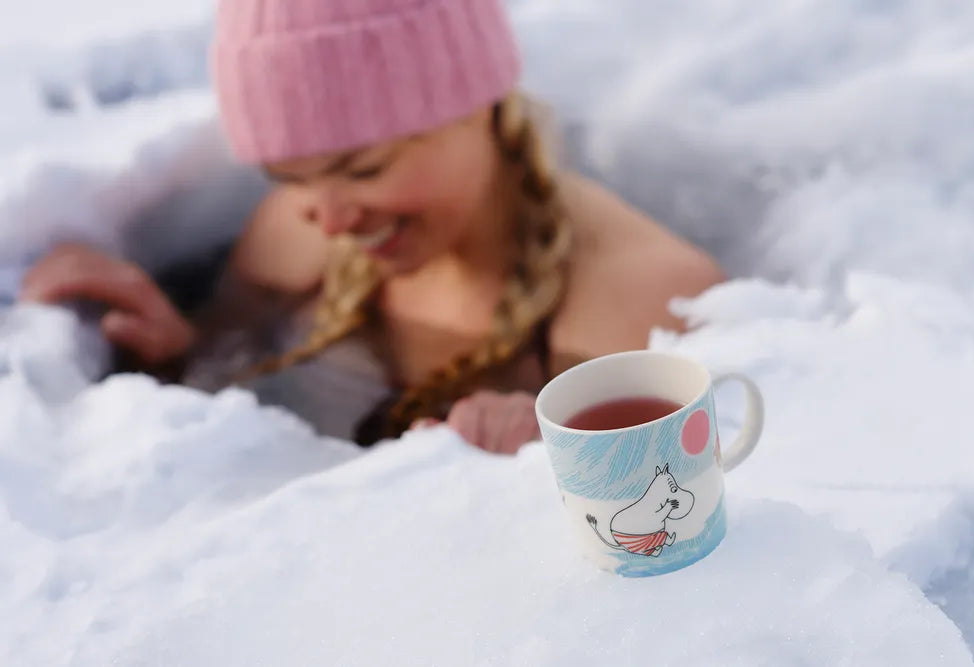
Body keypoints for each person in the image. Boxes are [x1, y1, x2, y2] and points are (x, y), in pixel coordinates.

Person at [19, 0, 725, 454]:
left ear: (477, 104)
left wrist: (546, 465)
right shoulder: (296, 236)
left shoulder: (640, 303)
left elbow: (679, 518)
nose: (327, 217)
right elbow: (222, 360)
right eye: (290, 179)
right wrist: (169, 344)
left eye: (362, 170)